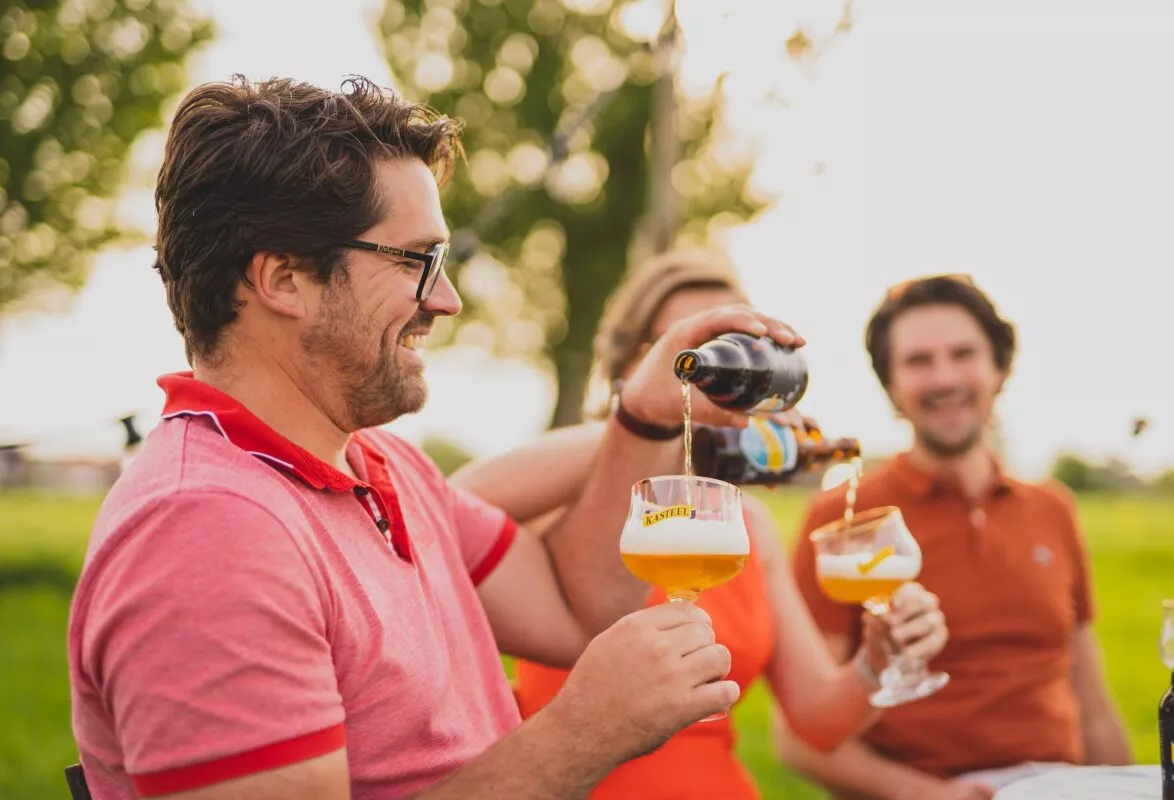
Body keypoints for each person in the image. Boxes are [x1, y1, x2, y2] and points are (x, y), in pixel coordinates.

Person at [65, 76, 807, 800]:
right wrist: (581, 733)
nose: (446, 300)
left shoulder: (385, 464)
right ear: (284, 279)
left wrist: (643, 414)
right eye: (419, 262)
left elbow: (575, 605)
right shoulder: (208, 529)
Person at [450, 250, 950, 800]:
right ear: (629, 367)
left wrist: (876, 664)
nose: (701, 373)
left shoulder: (745, 529)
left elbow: (818, 721)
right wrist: (651, 423)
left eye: (725, 348)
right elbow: (444, 510)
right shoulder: (570, 503)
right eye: (675, 349)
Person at [775, 275, 1132, 800]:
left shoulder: (1052, 507)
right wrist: (925, 795)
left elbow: (1093, 703)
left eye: (963, 354)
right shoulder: (840, 520)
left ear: (1000, 369)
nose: (944, 378)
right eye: (918, 362)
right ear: (892, 389)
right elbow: (797, 738)